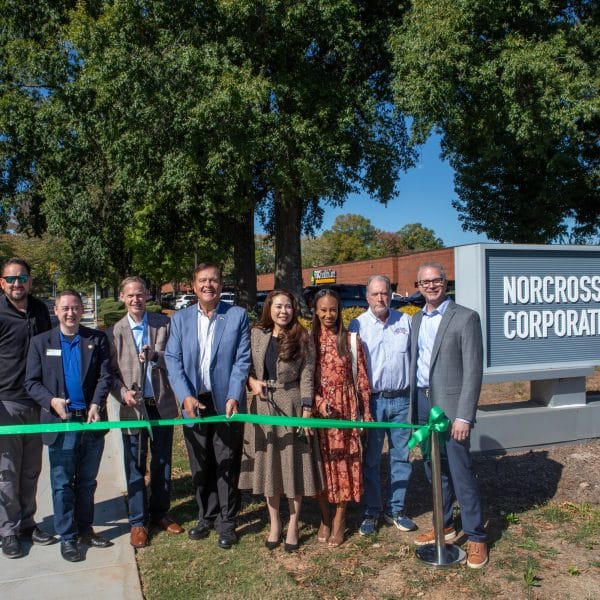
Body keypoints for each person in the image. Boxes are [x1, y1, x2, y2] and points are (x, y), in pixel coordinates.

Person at [165, 262, 250, 550]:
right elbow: (172, 360)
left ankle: (227, 522)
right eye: (202, 280)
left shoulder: (237, 316)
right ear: (193, 285)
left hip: (225, 402)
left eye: (213, 280)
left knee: (226, 462)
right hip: (193, 401)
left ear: (221, 285)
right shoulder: (180, 320)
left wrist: (235, 394)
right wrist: (184, 395)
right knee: (200, 463)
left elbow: (242, 360)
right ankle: (206, 515)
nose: (208, 285)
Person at [410, 261, 488, 568]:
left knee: (459, 471)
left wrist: (464, 416)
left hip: (452, 409)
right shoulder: (415, 320)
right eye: (424, 281)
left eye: (436, 280)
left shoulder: (466, 318)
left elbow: (473, 372)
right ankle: (445, 524)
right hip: (422, 404)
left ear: (445, 282)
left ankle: (477, 536)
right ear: (417, 287)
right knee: (433, 469)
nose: (430, 285)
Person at [25, 290, 113, 562]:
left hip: (90, 423)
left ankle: (85, 528)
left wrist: (97, 403)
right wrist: (51, 401)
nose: (71, 312)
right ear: (56, 309)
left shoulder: (96, 339)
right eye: (65, 308)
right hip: (60, 425)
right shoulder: (41, 342)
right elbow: (31, 383)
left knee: (86, 482)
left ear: (81, 309)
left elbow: (105, 376)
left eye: (75, 307)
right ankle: (68, 537)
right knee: (62, 484)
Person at [239, 290, 323, 552]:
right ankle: (274, 522)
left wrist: (307, 411)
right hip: (263, 407)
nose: (283, 311)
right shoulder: (256, 335)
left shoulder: (303, 336)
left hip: (292, 403)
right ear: (269, 309)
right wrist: (252, 382)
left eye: (288, 306)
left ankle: (294, 523)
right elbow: (245, 368)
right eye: (278, 306)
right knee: (270, 467)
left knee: (292, 465)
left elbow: (308, 376)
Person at [109, 276, 183, 549]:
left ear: (147, 296)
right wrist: (122, 393)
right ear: (122, 298)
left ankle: (160, 512)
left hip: (160, 402)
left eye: (140, 294)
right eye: (130, 296)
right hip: (133, 407)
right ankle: (138, 521)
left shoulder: (163, 323)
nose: (135, 300)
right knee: (135, 463)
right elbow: (111, 374)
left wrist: (156, 356)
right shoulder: (115, 331)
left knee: (162, 461)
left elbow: (175, 358)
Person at [349, 275, 417, 536]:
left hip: (402, 400)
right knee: (372, 460)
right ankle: (372, 510)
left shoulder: (406, 322)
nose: (380, 298)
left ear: (391, 295)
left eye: (385, 293)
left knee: (402, 457)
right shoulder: (357, 325)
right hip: (373, 403)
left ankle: (397, 509)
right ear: (367, 297)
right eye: (375, 294)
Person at [0, 258, 55, 559]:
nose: (17, 284)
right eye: (11, 279)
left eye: (22, 278)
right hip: (6, 402)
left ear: (30, 281)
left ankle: (27, 523)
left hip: (37, 400)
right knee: (7, 471)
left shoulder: (39, 309)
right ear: (2, 282)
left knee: (32, 470)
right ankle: (7, 531)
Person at [312, 288, 372, 548]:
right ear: (315, 311)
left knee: (346, 465)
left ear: (340, 311)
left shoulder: (350, 340)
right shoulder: (309, 340)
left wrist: (366, 412)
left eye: (333, 309)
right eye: (323, 310)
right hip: (319, 414)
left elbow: (362, 379)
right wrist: (317, 402)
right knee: (322, 467)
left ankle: (340, 520)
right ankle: (325, 517)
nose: (328, 314)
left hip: (346, 411)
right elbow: (303, 380)